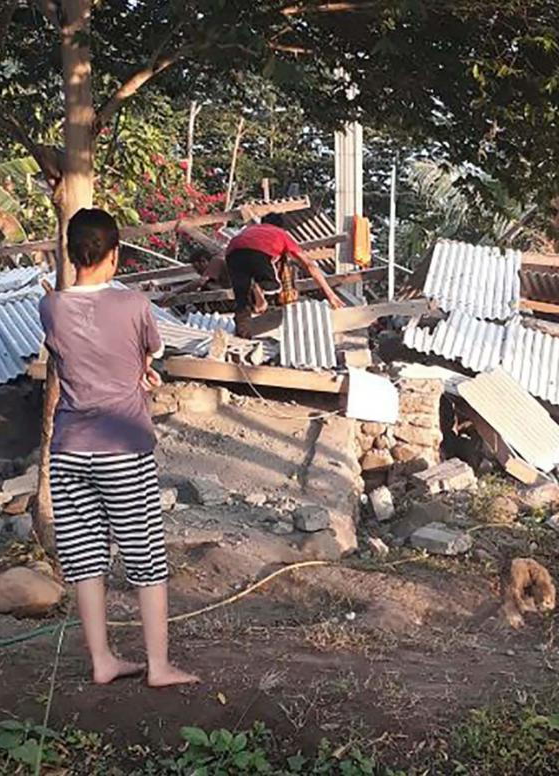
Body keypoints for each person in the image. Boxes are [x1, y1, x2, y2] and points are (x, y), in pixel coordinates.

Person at [39, 208, 198, 688]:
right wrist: (141, 372)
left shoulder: (50, 306)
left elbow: (74, 357)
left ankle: (103, 661)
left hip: (68, 448)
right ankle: (159, 666)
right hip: (122, 447)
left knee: (85, 558)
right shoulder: (133, 304)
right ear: (115, 255)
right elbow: (148, 350)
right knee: (145, 556)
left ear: (70, 253)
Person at [225, 212, 344, 337]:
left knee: (241, 300)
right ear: (281, 226)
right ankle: (259, 290)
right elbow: (310, 265)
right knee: (272, 287)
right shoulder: (281, 234)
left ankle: (243, 332)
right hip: (258, 253)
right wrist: (330, 294)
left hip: (232, 252)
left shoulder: (251, 229)